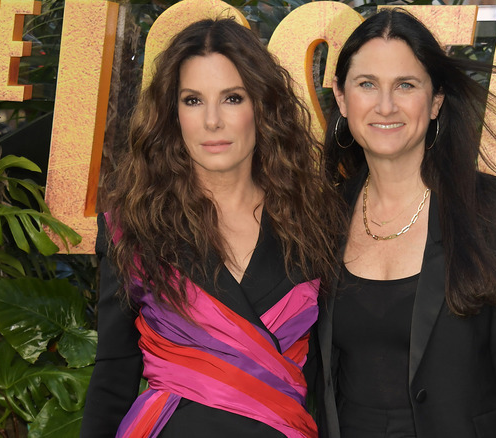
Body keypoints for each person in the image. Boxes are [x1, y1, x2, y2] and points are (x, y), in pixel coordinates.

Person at [80, 18, 342, 438]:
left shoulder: (316, 223)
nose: (213, 121)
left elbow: (332, 381)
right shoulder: (132, 230)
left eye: (232, 98)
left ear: (261, 106)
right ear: (172, 113)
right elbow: (113, 376)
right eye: (193, 101)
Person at [317, 9, 496, 438]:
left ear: (435, 102)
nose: (385, 105)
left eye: (406, 85)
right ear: (341, 98)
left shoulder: (492, 213)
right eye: (366, 85)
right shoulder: (323, 218)